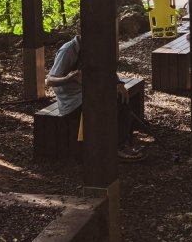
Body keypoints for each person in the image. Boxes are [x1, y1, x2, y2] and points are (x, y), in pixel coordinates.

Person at [45, 34, 147, 162]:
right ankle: (118, 147)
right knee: (111, 104)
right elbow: (49, 81)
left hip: (89, 93)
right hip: (72, 101)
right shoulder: (68, 50)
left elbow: (106, 67)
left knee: (121, 98)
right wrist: (69, 78)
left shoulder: (94, 45)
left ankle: (122, 142)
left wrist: (119, 84)